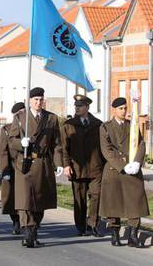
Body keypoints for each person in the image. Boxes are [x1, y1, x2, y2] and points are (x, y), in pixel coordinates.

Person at [8, 87, 63, 248]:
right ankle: (28, 232)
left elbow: (57, 144)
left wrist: (59, 163)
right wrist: (20, 143)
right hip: (25, 163)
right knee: (25, 201)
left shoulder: (51, 119)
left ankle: (34, 227)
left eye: (41, 99)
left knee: (40, 200)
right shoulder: (20, 117)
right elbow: (11, 140)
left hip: (43, 163)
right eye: (35, 100)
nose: (38, 103)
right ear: (29, 101)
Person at [99, 97, 149, 247]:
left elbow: (141, 144)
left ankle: (133, 236)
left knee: (135, 202)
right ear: (114, 110)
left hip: (132, 169)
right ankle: (115, 234)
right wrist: (122, 165)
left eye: (125, 108)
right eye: (120, 108)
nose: (124, 111)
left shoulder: (132, 126)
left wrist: (136, 162)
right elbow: (106, 150)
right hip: (115, 170)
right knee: (114, 204)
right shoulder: (105, 127)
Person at [61, 95, 104, 237]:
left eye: (80, 106)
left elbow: (103, 146)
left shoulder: (98, 124)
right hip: (77, 169)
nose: (77, 108)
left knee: (96, 196)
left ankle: (93, 225)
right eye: (76, 106)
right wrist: (66, 165)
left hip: (95, 168)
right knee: (79, 199)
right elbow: (64, 148)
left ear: (87, 107)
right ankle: (80, 226)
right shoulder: (69, 125)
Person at [0, 102, 25, 235]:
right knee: (11, 197)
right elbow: (3, 152)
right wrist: (5, 170)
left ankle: (27, 223)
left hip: (26, 168)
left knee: (25, 197)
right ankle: (16, 221)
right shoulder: (7, 129)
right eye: (19, 113)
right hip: (12, 167)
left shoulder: (30, 128)